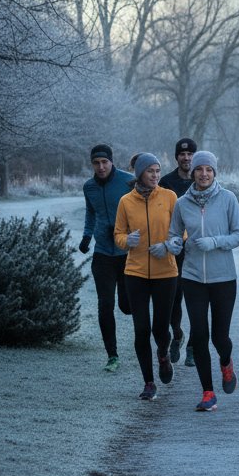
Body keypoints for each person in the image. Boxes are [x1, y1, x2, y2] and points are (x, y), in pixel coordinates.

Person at [167, 150, 239, 412]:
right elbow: (173, 234)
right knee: (199, 334)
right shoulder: (182, 203)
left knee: (219, 336)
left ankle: (226, 362)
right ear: (193, 173)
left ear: (214, 173)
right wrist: (175, 243)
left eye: (208, 170)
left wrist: (215, 242)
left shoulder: (228, 199)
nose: (203, 174)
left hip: (223, 277)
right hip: (192, 278)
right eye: (199, 169)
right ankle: (207, 392)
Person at [113, 153, 178, 401]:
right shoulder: (126, 202)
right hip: (136, 272)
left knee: (161, 328)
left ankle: (163, 353)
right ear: (140, 173)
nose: (155, 175)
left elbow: (180, 232)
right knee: (141, 329)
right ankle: (149, 383)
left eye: (158, 171)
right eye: (150, 171)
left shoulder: (170, 197)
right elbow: (118, 235)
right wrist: (126, 241)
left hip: (166, 272)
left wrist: (168, 245)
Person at [79, 144, 133, 372]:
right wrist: (86, 236)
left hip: (127, 253)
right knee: (105, 305)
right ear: (92, 164)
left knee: (127, 307)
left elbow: (141, 208)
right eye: (96, 163)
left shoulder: (129, 181)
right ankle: (112, 355)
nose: (100, 167)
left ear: (112, 162)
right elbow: (90, 211)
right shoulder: (89, 187)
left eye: (104, 162)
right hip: (102, 253)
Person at [160, 137, 198, 366]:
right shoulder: (166, 182)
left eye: (190, 154)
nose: (186, 158)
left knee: (196, 301)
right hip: (174, 250)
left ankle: (193, 347)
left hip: (197, 251)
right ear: (177, 157)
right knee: (174, 300)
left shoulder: (203, 179)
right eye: (182, 154)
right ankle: (177, 335)